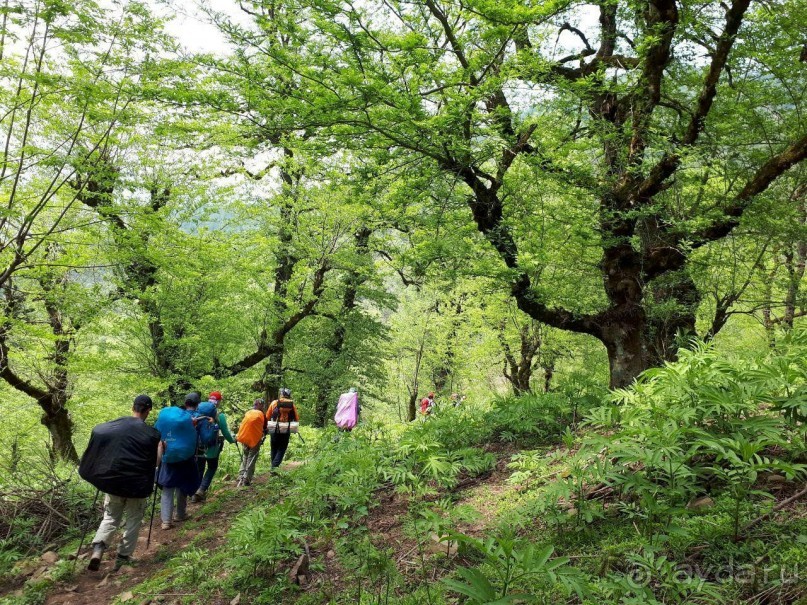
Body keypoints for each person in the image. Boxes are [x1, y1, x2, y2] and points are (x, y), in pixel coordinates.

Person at [80, 394, 161, 572]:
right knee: (133, 520)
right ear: (148, 410)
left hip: (113, 483)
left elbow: (99, 432)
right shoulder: (151, 434)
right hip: (136, 487)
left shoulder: (113, 427)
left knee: (110, 517)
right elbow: (155, 463)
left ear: (133, 407)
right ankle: (123, 558)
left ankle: (98, 549)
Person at [155, 392, 202, 530]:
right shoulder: (188, 418)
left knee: (167, 486)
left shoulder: (164, 418)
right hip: (185, 456)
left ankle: (166, 521)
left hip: (167, 455)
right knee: (183, 484)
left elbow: (156, 431)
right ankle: (180, 514)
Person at [190, 391, 235, 502]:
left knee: (199, 468)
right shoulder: (219, 416)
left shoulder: (198, 412)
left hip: (198, 446)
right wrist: (233, 440)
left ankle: (194, 494)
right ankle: (201, 490)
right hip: (212, 448)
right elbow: (225, 432)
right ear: (219, 401)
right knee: (212, 467)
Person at [236, 398, 268, 487]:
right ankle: (247, 479)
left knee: (245, 456)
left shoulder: (248, 413)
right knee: (252, 458)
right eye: (262, 405)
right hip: (254, 439)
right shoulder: (262, 415)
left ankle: (241, 475)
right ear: (260, 405)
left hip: (244, 437)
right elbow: (265, 428)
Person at [266, 387, 299, 469]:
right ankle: (274, 467)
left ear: (281, 394)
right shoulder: (292, 405)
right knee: (282, 448)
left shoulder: (274, 403)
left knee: (274, 448)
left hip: (274, 428)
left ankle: (274, 467)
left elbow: (267, 416)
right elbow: (297, 418)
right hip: (286, 429)